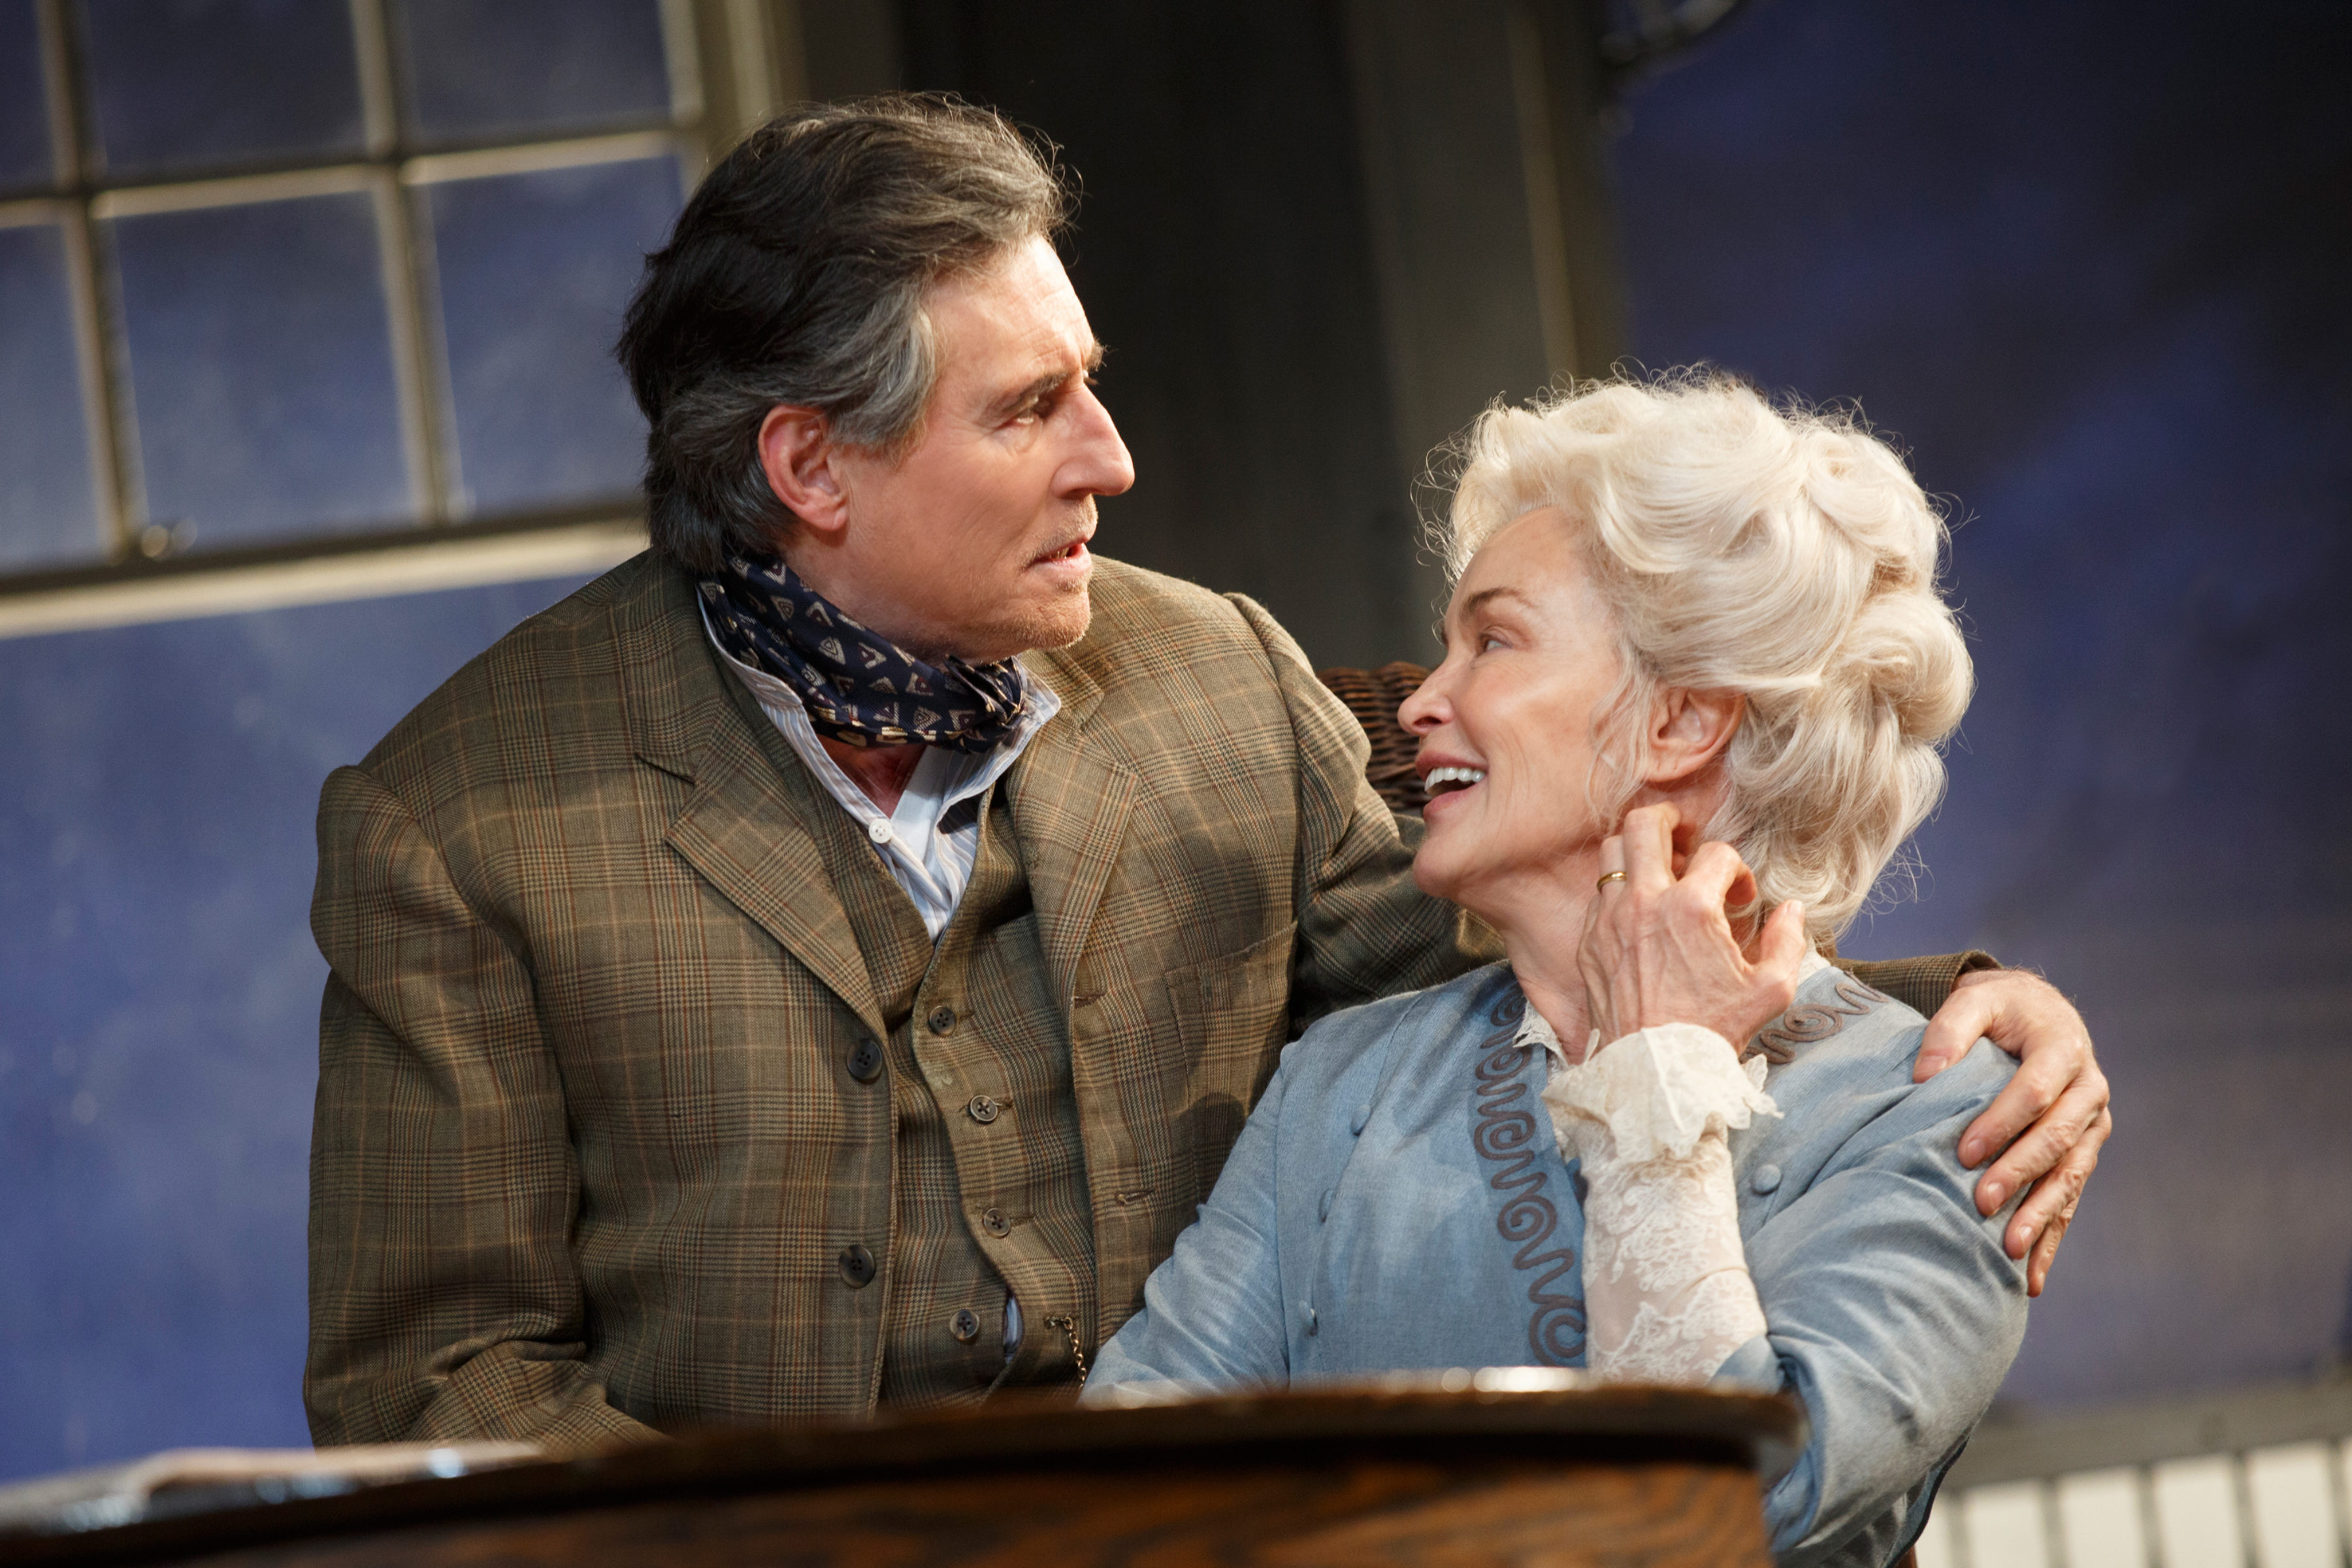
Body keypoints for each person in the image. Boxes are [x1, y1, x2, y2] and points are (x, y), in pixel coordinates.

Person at [305, 96, 2108, 1450]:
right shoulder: (458, 828)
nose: (1113, 457)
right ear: (813, 465)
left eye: (1089, 382)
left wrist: (1943, 1020)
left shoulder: (1212, 679)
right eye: (1029, 408)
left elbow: (1514, 986)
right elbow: (436, 1381)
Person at [1085, 376, 2040, 1567]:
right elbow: (1124, 1488)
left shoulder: (1944, 1116)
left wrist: (1657, 1078)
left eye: (1493, 640)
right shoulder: (1343, 1077)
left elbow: (1725, 1517)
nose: (1421, 702)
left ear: (1680, 722)